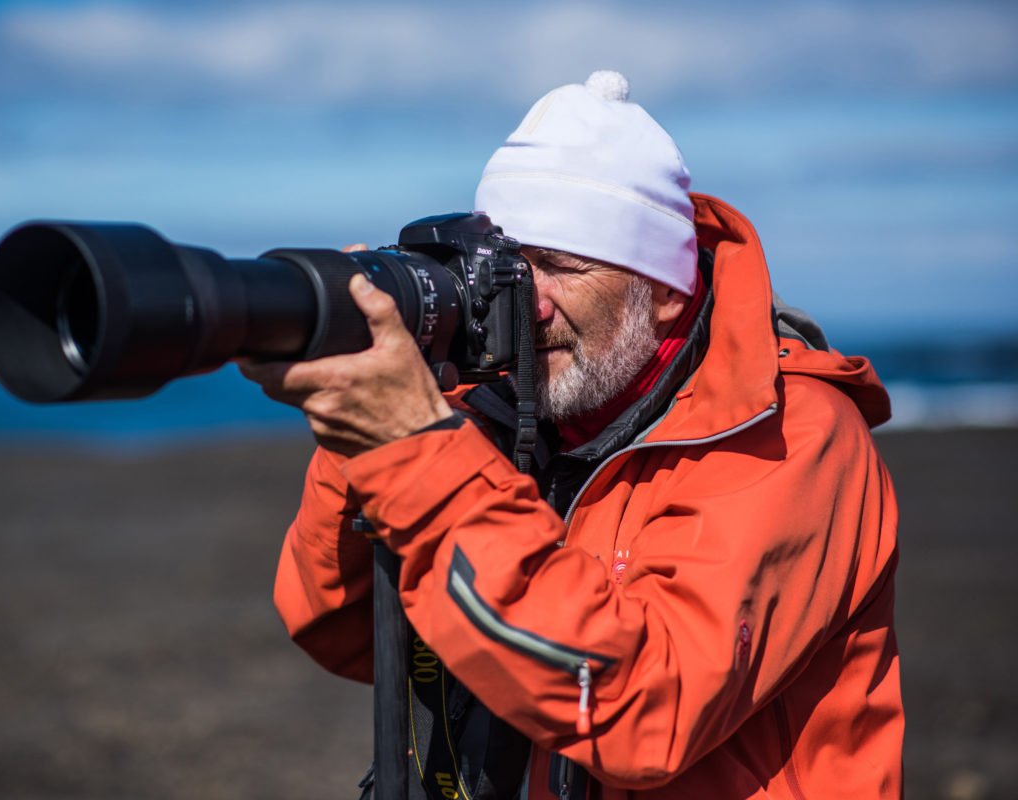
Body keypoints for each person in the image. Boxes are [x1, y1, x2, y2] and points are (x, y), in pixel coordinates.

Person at [240, 71, 903, 799]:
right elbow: (344, 629)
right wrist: (363, 432)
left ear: (664, 292)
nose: (533, 305)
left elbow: (646, 707)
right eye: (511, 272)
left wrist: (415, 448)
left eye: (560, 266)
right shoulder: (485, 413)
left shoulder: (789, 436)